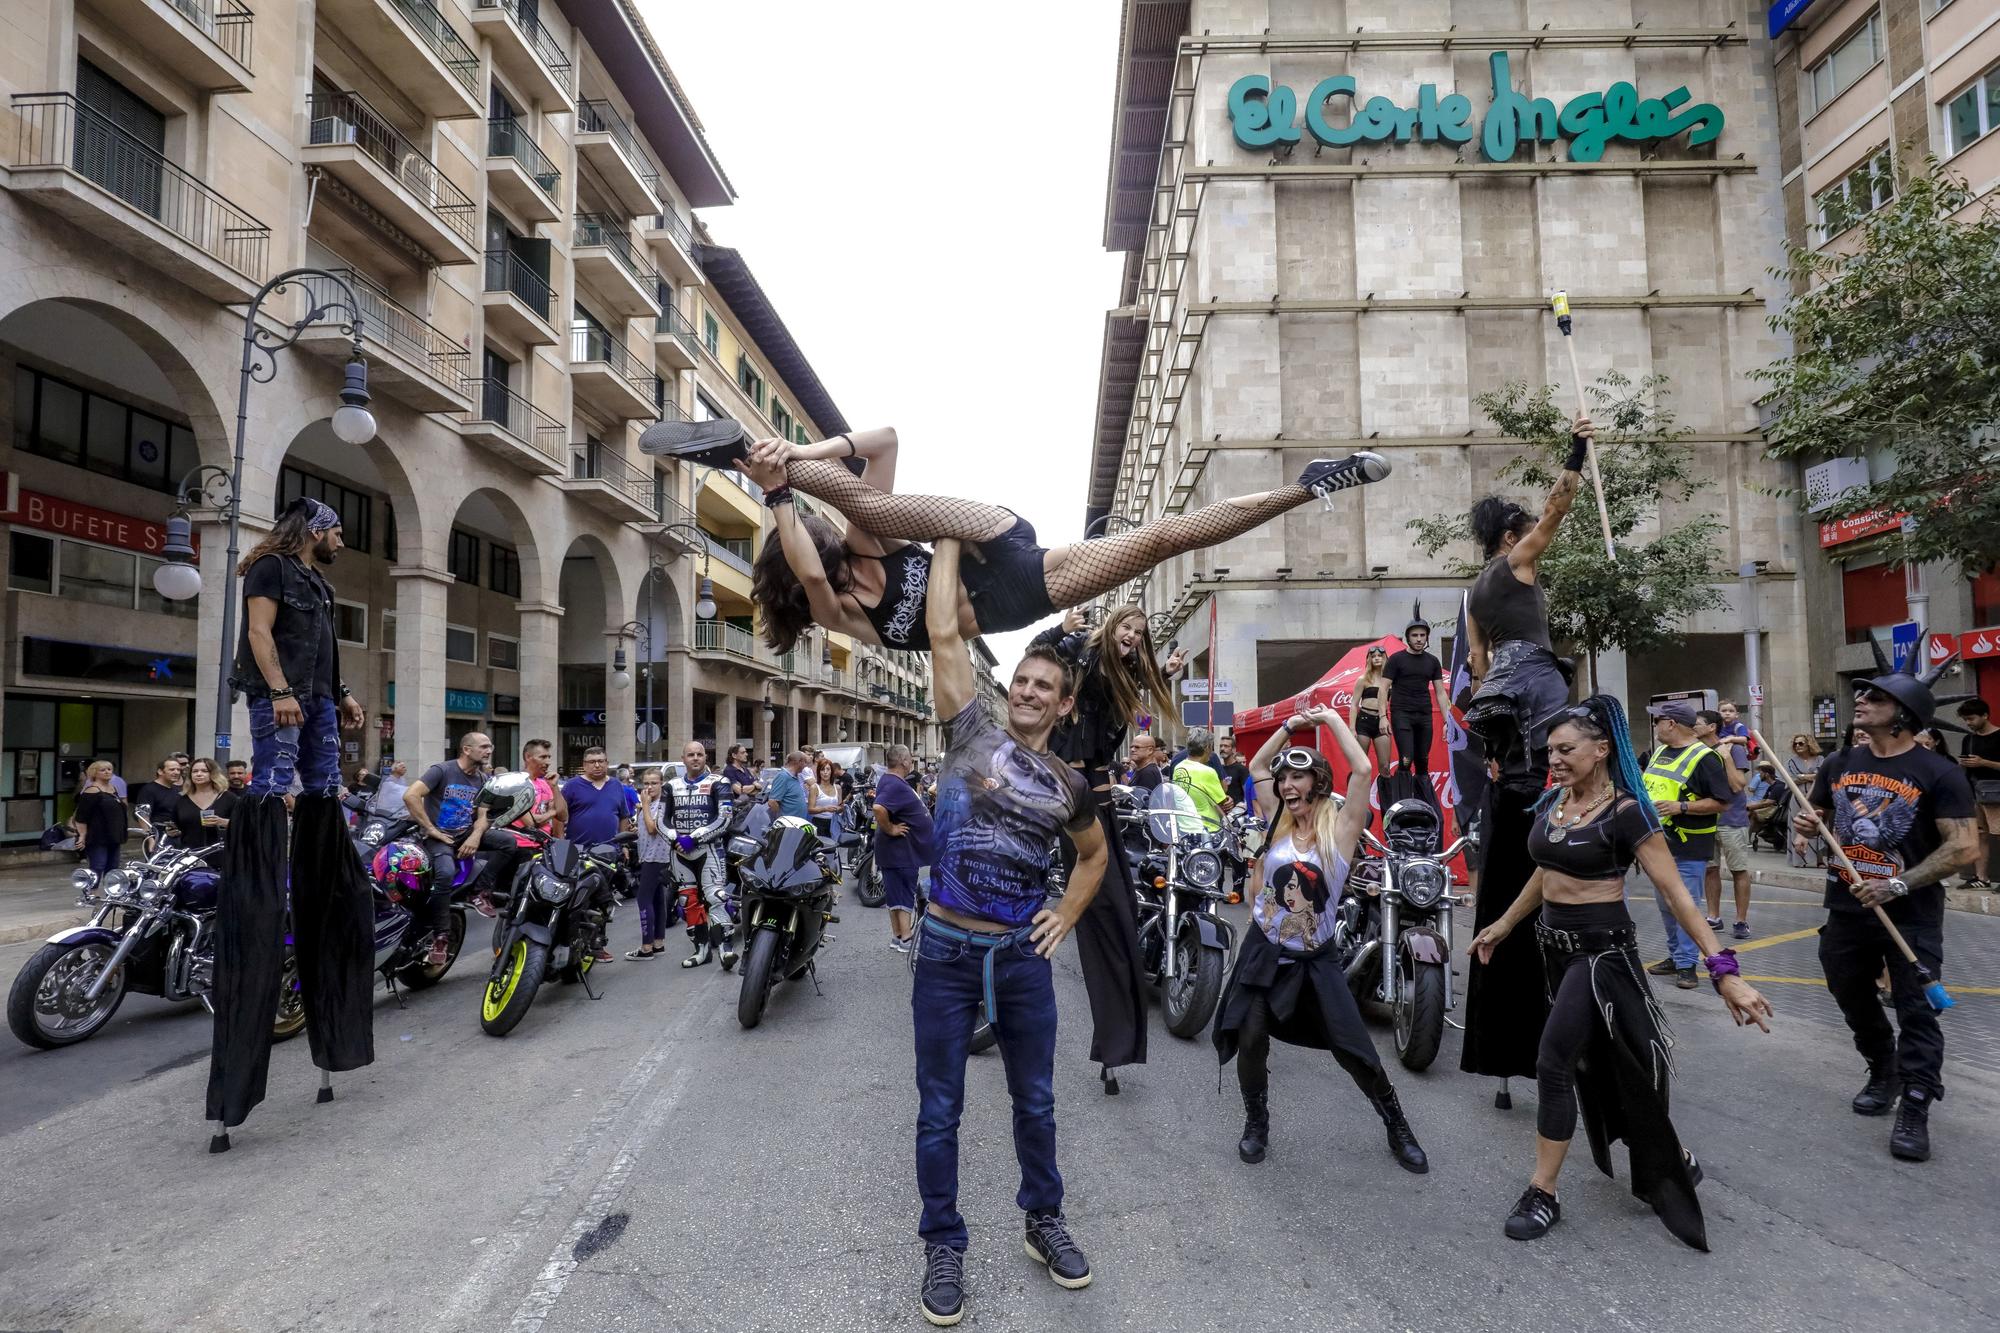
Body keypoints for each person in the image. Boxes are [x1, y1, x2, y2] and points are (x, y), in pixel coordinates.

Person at [1469, 696, 1772, 1248]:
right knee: (1608, 1065)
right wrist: (1504, 924)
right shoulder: (1558, 803)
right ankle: (1671, 1152)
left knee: (1554, 1061)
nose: (1553, 759)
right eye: (1550, 750)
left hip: (1600, 957)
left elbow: (1677, 893)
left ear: (1601, 749)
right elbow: (1546, 870)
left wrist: (1723, 970)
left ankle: (1544, 1191)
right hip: (1555, 954)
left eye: (1565, 750)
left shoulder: (1627, 812)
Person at [911, 539, 1109, 1327]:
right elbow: (941, 634)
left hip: (1021, 958)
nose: (1026, 691)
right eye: (1021, 680)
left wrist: (1065, 912)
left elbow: (1091, 858)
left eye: (1043, 687)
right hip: (946, 952)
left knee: (1035, 1100)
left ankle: (1042, 1220)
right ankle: (943, 1240)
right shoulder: (970, 734)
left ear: (1064, 706)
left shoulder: (1071, 784)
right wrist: (949, 542)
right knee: (939, 1107)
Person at [712, 427, 1389, 654]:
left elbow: (884, 438)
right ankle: (1307, 487)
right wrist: (777, 499)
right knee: (1161, 541)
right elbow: (807, 570)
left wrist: (798, 452)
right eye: (806, 532)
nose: (820, 535)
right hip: (1014, 596)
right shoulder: (844, 614)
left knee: (868, 506)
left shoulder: (867, 539)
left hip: (992, 535)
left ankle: (765, 454)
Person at [210, 495, 373, 1141]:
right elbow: (258, 634)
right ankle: (268, 863)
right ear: (315, 529)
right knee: (276, 786)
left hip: (320, 703)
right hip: (280, 699)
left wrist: (345, 693)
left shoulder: (319, 582)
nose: (341, 541)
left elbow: (323, 652)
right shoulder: (272, 568)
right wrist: (278, 691)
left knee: (323, 790)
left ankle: (314, 857)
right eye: (337, 530)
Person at [1216, 704, 1429, 1175]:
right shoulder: (1277, 820)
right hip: (1264, 951)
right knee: (1250, 1035)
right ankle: (1257, 1121)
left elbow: (1364, 768)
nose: (1287, 787)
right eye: (1284, 780)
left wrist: (1329, 722)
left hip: (1316, 958)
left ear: (1317, 782)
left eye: (1298, 778)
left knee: (1353, 1047)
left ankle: (1396, 1125)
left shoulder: (1342, 828)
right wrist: (1291, 727)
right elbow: (1255, 768)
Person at [1799, 662, 1976, 1163]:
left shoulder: (1938, 772)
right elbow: (1824, 820)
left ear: (1903, 715)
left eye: (1874, 697)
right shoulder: (1839, 763)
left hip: (1912, 914)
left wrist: (1898, 883)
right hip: (1846, 907)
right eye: (1862, 695)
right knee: (1847, 988)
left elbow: (1962, 848)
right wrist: (1810, 827)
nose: (1861, 701)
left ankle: (1916, 1104)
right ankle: (1884, 1065)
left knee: (1917, 1010)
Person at [1032, 604, 1187, 1091]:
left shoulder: (1127, 671)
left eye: (1140, 633)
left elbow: (1140, 685)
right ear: (1111, 626)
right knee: (1029, 884)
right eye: (1127, 627)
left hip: (1093, 790)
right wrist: (1062, 627)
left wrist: (1163, 670)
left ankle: (1114, 1047)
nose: (1133, 637)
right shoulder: (1082, 652)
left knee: (1112, 909)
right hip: (1058, 780)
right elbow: (1039, 654)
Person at [1640, 701, 1731, 989]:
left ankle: (1687, 965)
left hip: (1688, 845)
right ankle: (1676, 956)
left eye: (1658, 721)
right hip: (1658, 843)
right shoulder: (1661, 752)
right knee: (1666, 906)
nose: (1655, 726)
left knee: (1686, 905)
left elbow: (1722, 802)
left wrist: (1681, 807)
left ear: (1671, 724)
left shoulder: (1705, 757)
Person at [405, 733, 494, 967]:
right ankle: (440, 937)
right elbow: (411, 795)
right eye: (484, 747)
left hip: (465, 833)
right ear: (466, 749)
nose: (489, 751)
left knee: (509, 844)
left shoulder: (483, 779)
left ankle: (479, 892)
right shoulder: (441, 771)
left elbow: (484, 815)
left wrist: (475, 836)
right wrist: (431, 829)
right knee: (445, 873)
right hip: (440, 837)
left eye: (490, 746)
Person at [663, 741, 730, 968]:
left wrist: (695, 838)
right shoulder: (671, 786)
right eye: (690, 754)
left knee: (716, 897)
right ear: (683, 759)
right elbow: (662, 819)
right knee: (688, 901)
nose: (695, 758)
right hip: (680, 852)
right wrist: (675, 839)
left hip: (708, 849)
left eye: (699, 754)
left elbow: (725, 818)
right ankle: (701, 951)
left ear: (705, 758)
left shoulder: (719, 782)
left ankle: (725, 949)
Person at [1694, 709, 1754, 941]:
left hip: (1732, 820)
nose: (1693, 727)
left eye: (1697, 724)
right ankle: (1713, 917)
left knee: (1738, 869)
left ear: (1711, 727)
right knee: (1710, 870)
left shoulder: (1735, 749)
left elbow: (1739, 785)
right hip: (1706, 820)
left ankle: (1741, 921)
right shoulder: (1696, 752)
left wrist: (1726, 757)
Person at [873, 744, 933, 952]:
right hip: (900, 850)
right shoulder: (895, 784)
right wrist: (890, 829)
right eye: (910, 759)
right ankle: (906, 939)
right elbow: (879, 807)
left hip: (897, 851)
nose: (911, 763)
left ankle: (897, 936)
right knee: (905, 892)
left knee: (895, 892)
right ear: (904, 761)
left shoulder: (891, 780)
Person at [1383, 614, 1451, 778]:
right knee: (1406, 759)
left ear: (1427, 637)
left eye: (1422, 635)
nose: (1419, 639)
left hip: (1424, 715)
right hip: (1402, 714)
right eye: (1415, 635)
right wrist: (1382, 717)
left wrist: (1448, 721)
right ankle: (1402, 800)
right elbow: (1383, 688)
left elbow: (1441, 693)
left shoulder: (1433, 661)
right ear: (1407, 637)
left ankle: (1423, 801)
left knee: (1423, 760)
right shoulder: (1396, 659)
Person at [630, 769, 675, 960]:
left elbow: (652, 829)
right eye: (646, 784)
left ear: (661, 783)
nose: (649, 788)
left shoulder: (659, 804)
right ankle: (658, 943)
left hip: (656, 858)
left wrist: (645, 806)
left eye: (654, 783)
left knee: (644, 899)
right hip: (650, 855)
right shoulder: (652, 804)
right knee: (657, 899)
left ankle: (646, 947)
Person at [1956, 699, 2000, 889]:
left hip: (1996, 793)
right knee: (1980, 835)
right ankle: (1981, 878)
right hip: (1975, 792)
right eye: (1965, 719)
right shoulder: (1969, 739)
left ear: (1985, 716)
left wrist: (1984, 763)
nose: (1969, 723)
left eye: (1971, 718)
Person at [71, 761, 127, 876]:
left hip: (114, 834)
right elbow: (81, 816)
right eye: (103, 770)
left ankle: (110, 892)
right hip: (98, 836)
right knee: (98, 865)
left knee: (113, 866)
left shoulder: (113, 788)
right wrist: (82, 835)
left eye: (109, 769)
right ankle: (92, 892)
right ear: (94, 773)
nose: (107, 772)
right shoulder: (92, 791)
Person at [170, 758, 239, 851]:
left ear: (213, 774)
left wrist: (223, 822)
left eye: (204, 771)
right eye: (195, 771)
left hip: (221, 853)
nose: (199, 774)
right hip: (190, 855)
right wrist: (171, 831)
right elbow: (175, 825)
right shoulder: (181, 799)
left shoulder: (228, 797)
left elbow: (244, 824)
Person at [130, 756, 186, 851]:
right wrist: (151, 839)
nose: (176, 772)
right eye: (172, 769)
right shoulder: (149, 790)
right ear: (160, 771)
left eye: (178, 770)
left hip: (177, 838)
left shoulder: (177, 790)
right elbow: (142, 815)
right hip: (159, 838)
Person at [1349, 646, 1391, 772]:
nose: (1377, 658)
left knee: (1385, 766)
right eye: (1373, 656)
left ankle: (1385, 791)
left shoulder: (1390, 681)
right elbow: (1354, 704)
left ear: (1384, 658)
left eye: (1379, 656)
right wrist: (1352, 729)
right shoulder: (1363, 680)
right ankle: (1357, 792)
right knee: (1360, 766)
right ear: (1369, 660)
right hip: (1364, 721)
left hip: (1382, 721)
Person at [1173, 729, 1230, 816]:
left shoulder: (1179, 767)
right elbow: (1222, 801)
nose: (1212, 751)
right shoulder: (1208, 772)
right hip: (1207, 825)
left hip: (1185, 823)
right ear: (1207, 748)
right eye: (1212, 747)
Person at [765, 751, 810, 821]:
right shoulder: (783, 776)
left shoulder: (795, 776)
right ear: (799, 762)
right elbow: (772, 802)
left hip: (797, 825)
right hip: (788, 827)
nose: (805, 766)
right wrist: (782, 819)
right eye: (805, 762)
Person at [1216, 733, 1250, 806]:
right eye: (1221, 746)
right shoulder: (1218, 769)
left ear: (1234, 749)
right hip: (1221, 812)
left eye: (1226, 746)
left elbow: (1248, 794)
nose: (1222, 749)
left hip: (1237, 812)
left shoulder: (1241, 769)